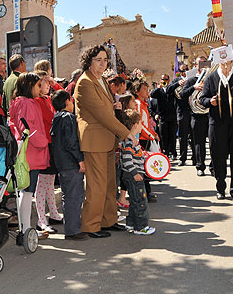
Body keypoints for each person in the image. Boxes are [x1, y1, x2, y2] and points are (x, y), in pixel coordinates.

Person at [74, 45, 132, 238]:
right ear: (88, 61)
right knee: (97, 186)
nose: (102, 63)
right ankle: (91, 226)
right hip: (94, 139)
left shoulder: (101, 81)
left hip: (106, 139)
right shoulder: (84, 82)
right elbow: (100, 114)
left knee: (109, 184)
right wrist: (126, 133)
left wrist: (114, 106)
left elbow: (105, 109)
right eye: (98, 59)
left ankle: (109, 220)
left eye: (105, 60)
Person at [200, 52, 233, 205]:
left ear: (231, 60)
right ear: (218, 61)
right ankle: (220, 188)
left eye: (227, 60)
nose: (225, 63)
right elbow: (202, 99)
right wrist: (210, 101)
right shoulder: (211, 78)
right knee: (218, 157)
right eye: (221, 60)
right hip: (217, 123)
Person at [8, 72, 50, 241]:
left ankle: (26, 228)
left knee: (25, 192)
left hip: (27, 150)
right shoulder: (26, 103)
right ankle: (26, 229)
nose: (40, 88)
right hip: (31, 152)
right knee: (27, 192)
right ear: (29, 85)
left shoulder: (20, 102)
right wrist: (43, 141)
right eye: (37, 85)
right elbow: (28, 127)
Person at [50, 90, 87, 241]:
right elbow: (71, 142)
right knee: (74, 196)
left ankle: (71, 227)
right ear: (67, 102)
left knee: (68, 196)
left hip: (61, 163)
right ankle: (73, 230)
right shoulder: (68, 118)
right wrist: (80, 159)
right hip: (71, 163)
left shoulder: (56, 118)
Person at [115, 109, 156, 235]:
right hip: (133, 176)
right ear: (134, 125)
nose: (142, 125)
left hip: (132, 176)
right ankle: (141, 226)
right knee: (140, 201)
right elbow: (127, 160)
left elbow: (134, 157)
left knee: (134, 201)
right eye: (140, 122)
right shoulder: (129, 143)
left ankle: (131, 223)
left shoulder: (132, 141)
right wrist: (135, 173)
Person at [33, 71, 63, 234]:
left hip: (51, 143)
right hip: (45, 144)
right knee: (43, 183)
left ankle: (54, 213)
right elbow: (52, 118)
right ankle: (41, 219)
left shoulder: (46, 99)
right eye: (45, 83)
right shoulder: (38, 101)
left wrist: (55, 85)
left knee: (50, 181)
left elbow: (65, 99)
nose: (48, 86)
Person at [180, 56, 212, 177]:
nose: (202, 65)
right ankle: (200, 166)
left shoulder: (211, 78)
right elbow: (182, 95)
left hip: (210, 114)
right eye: (200, 63)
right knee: (198, 142)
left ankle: (214, 166)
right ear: (195, 65)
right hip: (196, 115)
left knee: (214, 142)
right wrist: (194, 87)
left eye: (205, 62)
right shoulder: (191, 80)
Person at [150, 74, 178, 160]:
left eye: (166, 79)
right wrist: (158, 87)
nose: (164, 81)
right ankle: (165, 152)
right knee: (163, 135)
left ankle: (173, 152)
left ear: (169, 80)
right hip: (163, 116)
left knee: (172, 135)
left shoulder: (171, 89)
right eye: (163, 79)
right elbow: (152, 95)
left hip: (172, 116)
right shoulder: (159, 91)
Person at [169, 64, 192, 166]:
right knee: (182, 136)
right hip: (182, 111)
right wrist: (178, 83)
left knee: (194, 135)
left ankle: (196, 158)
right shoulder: (176, 80)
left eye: (186, 70)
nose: (184, 72)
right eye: (182, 70)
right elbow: (169, 90)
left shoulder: (193, 78)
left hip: (193, 110)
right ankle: (183, 158)